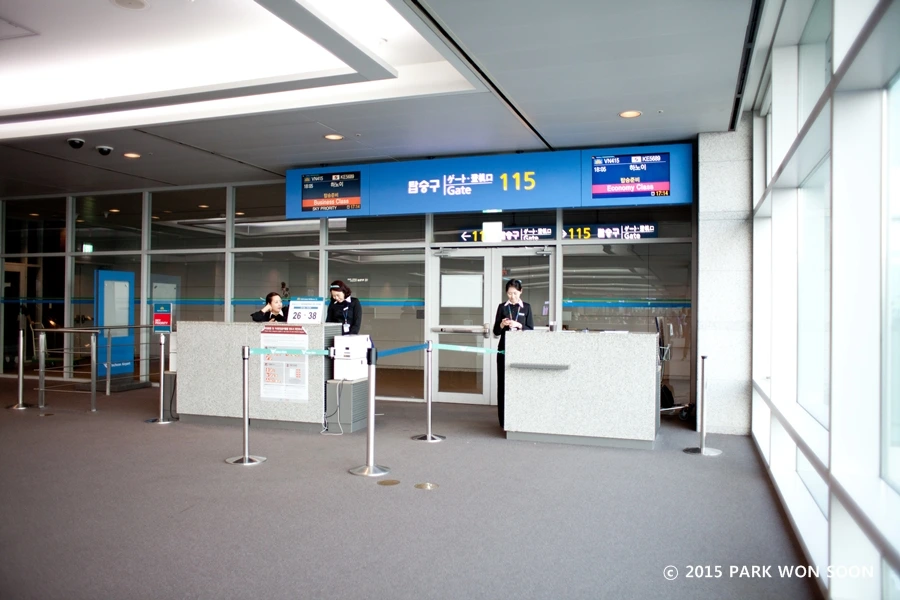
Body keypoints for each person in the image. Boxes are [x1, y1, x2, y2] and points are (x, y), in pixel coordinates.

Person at [492, 279, 534, 428]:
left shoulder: (526, 307)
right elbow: (496, 332)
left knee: (519, 384)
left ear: (521, 291)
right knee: (502, 384)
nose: (512, 296)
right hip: (504, 350)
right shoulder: (502, 307)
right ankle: (503, 421)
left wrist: (519, 325)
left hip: (521, 350)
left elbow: (531, 329)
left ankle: (519, 419)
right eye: (509, 294)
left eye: (515, 293)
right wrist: (502, 324)